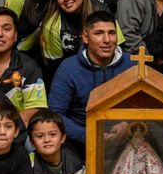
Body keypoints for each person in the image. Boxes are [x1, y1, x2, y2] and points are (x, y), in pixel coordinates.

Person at [48, 11, 134, 158]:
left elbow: (147, 106)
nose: (107, 40)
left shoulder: (132, 64)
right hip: (79, 140)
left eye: (112, 33)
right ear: (85, 38)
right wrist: (88, 135)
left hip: (124, 137)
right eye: (99, 33)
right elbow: (56, 113)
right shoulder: (69, 68)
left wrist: (128, 123)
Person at [39, 0, 119, 83]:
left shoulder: (102, 12)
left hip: (107, 76)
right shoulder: (51, 26)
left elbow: (119, 50)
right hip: (70, 80)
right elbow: (53, 68)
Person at [0, 7, 48, 126]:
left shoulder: (28, 66)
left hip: (19, 132)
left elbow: (34, 110)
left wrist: (3, 127)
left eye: (6, 29)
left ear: (16, 35)